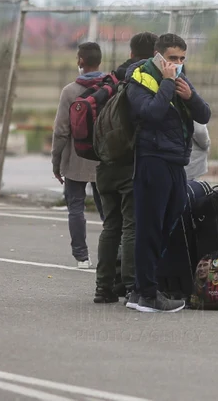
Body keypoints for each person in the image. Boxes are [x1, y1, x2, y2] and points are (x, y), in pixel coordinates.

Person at [125, 33, 211, 313]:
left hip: (177, 161)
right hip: (152, 159)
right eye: (173, 58)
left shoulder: (179, 80)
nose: (178, 63)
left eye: (182, 59)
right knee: (149, 227)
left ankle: (141, 288)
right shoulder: (139, 76)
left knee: (168, 222)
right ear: (158, 55)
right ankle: (147, 293)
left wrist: (191, 95)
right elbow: (151, 113)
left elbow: (205, 115)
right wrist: (166, 82)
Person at [94, 32, 157, 304]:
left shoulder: (110, 80)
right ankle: (132, 286)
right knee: (132, 227)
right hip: (130, 163)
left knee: (111, 228)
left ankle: (103, 287)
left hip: (104, 162)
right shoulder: (144, 80)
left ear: (131, 52)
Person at [51, 42, 105, 269]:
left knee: (76, 207)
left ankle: (81, 256)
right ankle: (116, 253)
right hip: (104, 159)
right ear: (99, 61)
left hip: (76, 159)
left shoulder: (70, 91)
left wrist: (56, 163)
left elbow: (61, 131)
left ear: (80, 61)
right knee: (109, 211)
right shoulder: (112, 88)